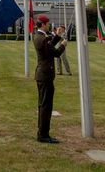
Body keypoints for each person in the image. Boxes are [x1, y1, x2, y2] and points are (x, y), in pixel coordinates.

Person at [32, 14, 67, 144]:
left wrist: (57, 36)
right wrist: (63, 44)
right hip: (45, 75)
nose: (49, 26)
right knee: (46, 106)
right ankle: (43, 134)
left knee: (43, 105)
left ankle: (42, 132)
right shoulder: (43, 38)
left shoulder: (39, 37)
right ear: (43, 25)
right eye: (47, 24)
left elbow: (49, 48)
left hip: (43, 75)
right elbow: (55, 53)